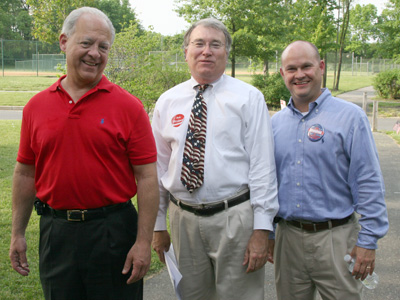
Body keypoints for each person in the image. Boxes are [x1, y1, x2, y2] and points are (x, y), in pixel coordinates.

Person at [9, 7, 159, 300]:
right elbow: (25, 172)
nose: (95, 53)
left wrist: (143, 242)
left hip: (113, 232)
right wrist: (17, 233)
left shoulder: (129, 107)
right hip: (56, 234)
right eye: (87, 43)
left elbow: (147, 177)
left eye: (103, 47)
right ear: (64, 42)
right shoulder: (36, 108)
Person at [151, 18, 279, 300]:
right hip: (183, 220)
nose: (206, 51)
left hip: (235, 219)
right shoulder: (167, 102)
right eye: (199, 43)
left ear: (226, 53)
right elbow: (158, 170)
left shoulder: (248, 98)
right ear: (186, 52)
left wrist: (262, 230)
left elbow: (263, 168)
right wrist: (158, 226)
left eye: (215, 44)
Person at [269, 40, 389, 300]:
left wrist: (368, 240)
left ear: (321, 67)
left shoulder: (350, 117)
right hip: (288, 239)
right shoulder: (275, 124)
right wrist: (267, 231)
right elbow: (267, 183)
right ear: (282, 74)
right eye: (291, 68)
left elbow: (367, 180)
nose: (299, 74)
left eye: (306, 66)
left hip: (336, 239)